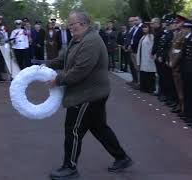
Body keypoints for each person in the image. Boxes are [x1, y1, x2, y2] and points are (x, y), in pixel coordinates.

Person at [46, 10, 133, 179]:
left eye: (73, 24)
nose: (70, 27)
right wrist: (43, 66)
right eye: (69, 24)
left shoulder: (91, 41)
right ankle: (122, 158)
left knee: (73, 130)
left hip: (87, 95)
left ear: (84, 24)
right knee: (99, 128)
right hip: (91, 93)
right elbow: (62, 59)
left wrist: (57, 80)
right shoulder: (78, 39)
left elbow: (80, 71)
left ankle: (69, 168)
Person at [168, 15, 188, 114]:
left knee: (181, 88)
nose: (176, 24)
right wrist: (171, 60)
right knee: (177, 87)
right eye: (176, 23)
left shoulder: (185, 33)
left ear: (183, 23)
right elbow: (172, 49)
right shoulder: (177, 33)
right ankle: (180, 106)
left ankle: (183, 108)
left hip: (179, 65)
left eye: (178, 22)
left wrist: (173, 62)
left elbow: (180, 51)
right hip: (174, 64)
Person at [136, 23, 156, 93]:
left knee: (150, 73)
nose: (144, 29)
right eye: (143, 27)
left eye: (146, 27)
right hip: (143, 57)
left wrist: (152, 55)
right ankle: (143, 87)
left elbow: (153, 47)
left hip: (149, 58)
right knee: (144, 72)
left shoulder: (151, 36)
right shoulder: (143, 36)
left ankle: (150, 88)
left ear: (149, 28)